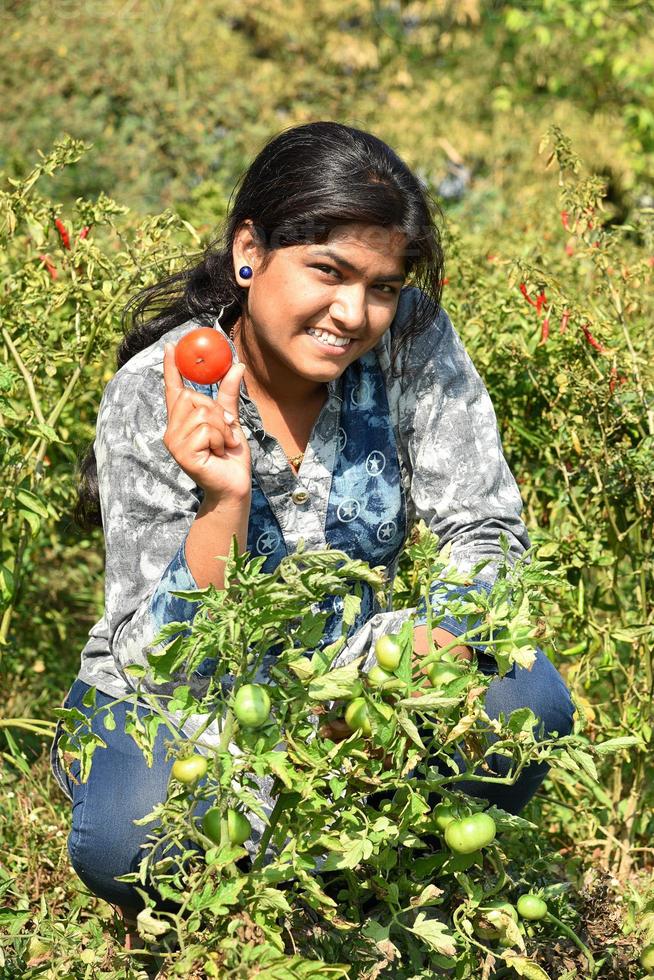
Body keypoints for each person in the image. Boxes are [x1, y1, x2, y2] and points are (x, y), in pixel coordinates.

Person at [49, 120, 575, 947]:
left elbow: (487, 529)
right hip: (182, 702)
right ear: (248, 250)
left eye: (382, 286)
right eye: (327, 272)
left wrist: (437, 642)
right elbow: (162, 661)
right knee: (136, 840)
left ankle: (378, 888)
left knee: (525, 698)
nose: (353, 314)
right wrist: (223, 504)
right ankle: (241, 913)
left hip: (359, 671)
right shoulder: (158, 393)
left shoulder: (411, 342)